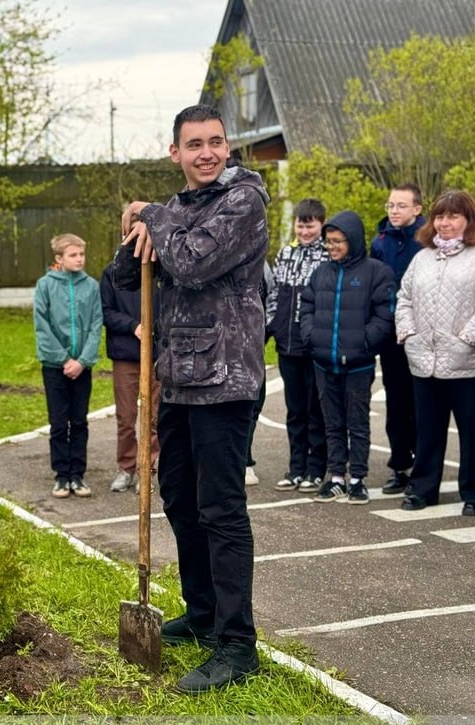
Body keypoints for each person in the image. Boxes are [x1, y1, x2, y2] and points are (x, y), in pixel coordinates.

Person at [116, 103, 268, 694]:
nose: (206, 153)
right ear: (174, 152)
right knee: (180, 497)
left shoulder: (243, 202)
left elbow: (194, 262)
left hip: (226, 381)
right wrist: (132, 232)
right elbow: (126, 277)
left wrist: (152, 215)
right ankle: (203, 613)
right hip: (176, 379)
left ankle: (236, 643)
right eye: (194, 144)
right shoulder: (178, 209)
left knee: (222, 510)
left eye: (215, 142)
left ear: (227, 148)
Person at [395, 189, 475, 515]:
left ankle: (474, 493)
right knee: (427, 430)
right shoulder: (423, 257)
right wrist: (409, 333)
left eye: (453, 216)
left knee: (473, 431)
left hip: (470, 362)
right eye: (439, 216)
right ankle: (423, 489)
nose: (444, 223)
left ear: (468, 219)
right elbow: (404, 298)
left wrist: (468, 337)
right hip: (425, 360)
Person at [300, 211, 396, 504]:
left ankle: (357, 478)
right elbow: (306, 308)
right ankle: (337, 476)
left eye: (338, 241)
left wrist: (364, 342)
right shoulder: (321, 273)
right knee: (332, 423)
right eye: (329, 242)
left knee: (357, 423)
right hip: (323, 362)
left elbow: (386, 314)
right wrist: (311, 338)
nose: (332, 247)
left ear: (352, 241)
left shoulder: (376, 272)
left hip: (358, 364)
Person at [265, 198, 330, 493]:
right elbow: (275, 295)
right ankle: (296, 467)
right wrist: (272, 327)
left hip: (313, 346)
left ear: (321, 225)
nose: (305, 231)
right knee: (294, 410)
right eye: (301, 225)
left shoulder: (327, 255)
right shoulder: (286, 253)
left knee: (315, 408)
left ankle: (316, 468)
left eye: (310, 225)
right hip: (286, 345)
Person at [34, 233, 102, 499]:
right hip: (55, 366)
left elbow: (96, 325)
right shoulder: (45, 286)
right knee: (59, 423)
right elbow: (42, 326)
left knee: (80, 421)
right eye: (73, 255)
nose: (79, 259)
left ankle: (78, 475)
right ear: (59, 259)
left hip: (82, 367)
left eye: (81, 254)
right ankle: (62, 475)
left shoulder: (91, 287)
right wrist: (64, 360)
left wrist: (82, 360)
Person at [370, 183, 426, 494]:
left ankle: (424, 464)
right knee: (396, 402)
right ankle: (400, 465)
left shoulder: (427, 241)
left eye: (401, 206)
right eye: (390, 205)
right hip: (391, 335)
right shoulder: (380, 242)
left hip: (420, 333)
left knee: (422, 403)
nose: (393, 211)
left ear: (417, 209)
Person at [100, 259, 160, 493]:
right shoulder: (113, 271)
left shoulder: (162, 269)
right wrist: (132, 326)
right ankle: (126, 468)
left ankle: (148, 471)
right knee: (126, 418)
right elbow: (105, 311)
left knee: (155, 417)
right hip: (125, 354)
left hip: (157, 355)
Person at [243, 261, 275, 487]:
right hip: (221, 348)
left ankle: (244, 460)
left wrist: (264, 334)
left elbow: (271, 301)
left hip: (254, 349)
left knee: (253, 406)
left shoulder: (263, 267)